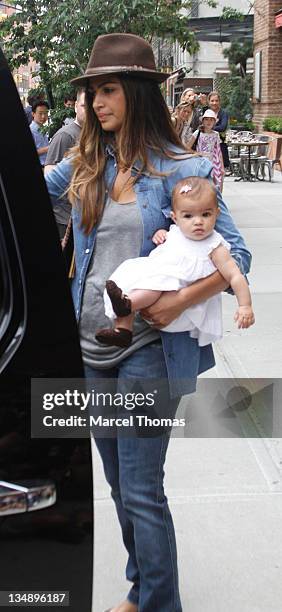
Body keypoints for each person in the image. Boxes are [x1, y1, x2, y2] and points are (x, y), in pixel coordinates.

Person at [45, 32, 251, 612]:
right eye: (92, 91)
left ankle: (160, 603)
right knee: (117, 486)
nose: (95, 102)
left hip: (148, 351)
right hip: (91, 348)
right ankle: (143, 590)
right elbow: (26, 191)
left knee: (140, 488)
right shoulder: (87, 162)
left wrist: (181, 301)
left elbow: (238, 255)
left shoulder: (179, 169)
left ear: (135, 93)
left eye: (107, 89)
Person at [96, 176, 254, 348]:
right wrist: (161, 234)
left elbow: (235, 276)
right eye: (188, 216)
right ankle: (123, 330)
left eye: (206, 214)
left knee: (155, 284)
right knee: (129, 277)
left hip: (178, 297)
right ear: (175, 217)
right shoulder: (176, 231)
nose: (198, 221)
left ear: (217, 213)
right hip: (162, 280)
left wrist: (245, 305)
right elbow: (169, 241)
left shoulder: (215, 246)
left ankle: (128, 304)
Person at [44, 89, 86, 240]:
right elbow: (49, 175)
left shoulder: (95, 135)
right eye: (84, 106)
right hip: (64, 219)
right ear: (75, 106)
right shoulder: (65, 135)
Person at [188, 109, 224, 191]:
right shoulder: (198, 133)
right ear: (203, 121)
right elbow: (187, 148)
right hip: (200, 162)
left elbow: (218, 151)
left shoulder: (216, 134)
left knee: (213, 186)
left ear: (214, 122)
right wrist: (196, 153)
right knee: (201, 185)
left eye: (211, 120)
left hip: (212, 163)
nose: (209, 122)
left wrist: (221, 167)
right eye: (206, 119)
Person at [208, 90, 230, 173]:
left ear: (219, 101)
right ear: (209, 102)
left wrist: (210, 127)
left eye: (216, 101)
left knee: (220, 171)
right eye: (212, 101)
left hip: (220, 145)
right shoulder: (207, 112)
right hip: (208, 145)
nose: (214, 103)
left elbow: (223, 127)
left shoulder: (223, 113)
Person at [29, 100, 49, 167]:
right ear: (33, 114)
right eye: (40, 113)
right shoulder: (31, 130)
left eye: (45, 113)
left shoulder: (43, 128)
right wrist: (48, 148)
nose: (43, 116)